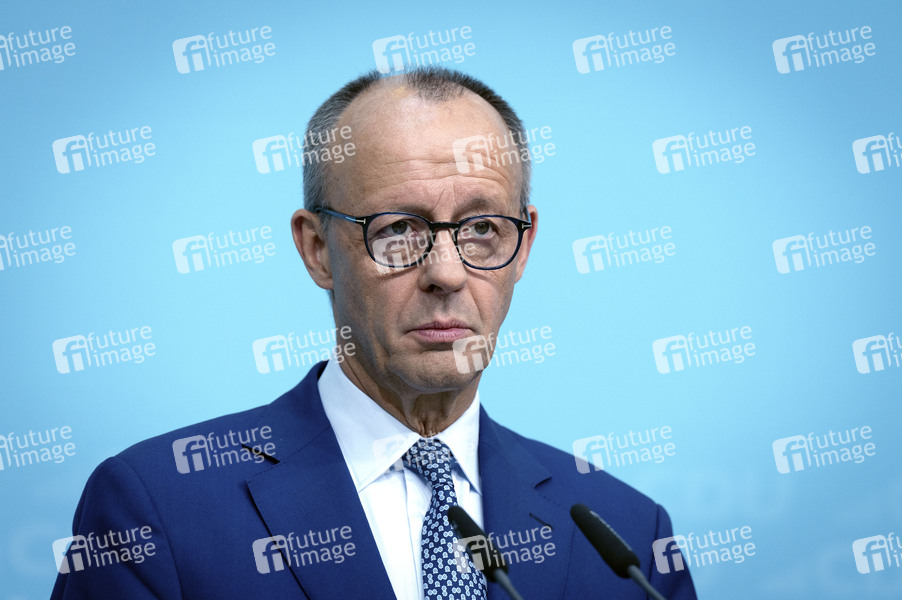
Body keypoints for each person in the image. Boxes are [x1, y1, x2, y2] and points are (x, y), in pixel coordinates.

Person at [51, 66, 697, 599]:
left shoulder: (629, 540)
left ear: (523, 247)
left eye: (481, 229)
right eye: (398, 230)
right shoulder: (158, 511)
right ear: (317, 250)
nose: (446, 273)